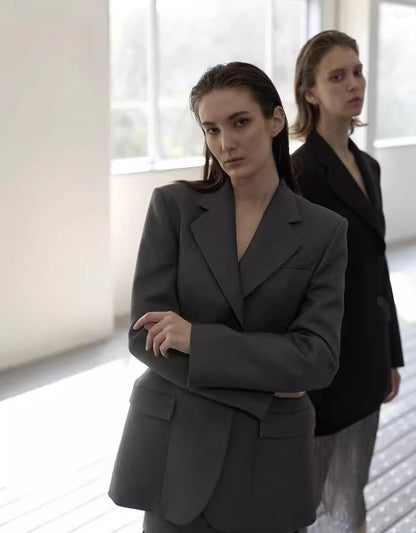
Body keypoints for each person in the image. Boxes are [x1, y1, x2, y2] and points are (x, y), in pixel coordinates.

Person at [108, 61, 349, 533]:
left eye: (240, 123)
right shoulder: (173, 209)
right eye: (212, 129)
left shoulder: (324, 231)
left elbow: (316, 360)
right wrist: (266, 379)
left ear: (275, 121)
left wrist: (197, 341)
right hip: (177, 457)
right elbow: (144, 338)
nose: (225, 143)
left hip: (269, 461)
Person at [291, 30, 404, 533]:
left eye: (356, 72)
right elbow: (292, 285)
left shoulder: (368, 166)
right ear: (310, 92)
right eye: (336, 76)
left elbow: (377, 267)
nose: (354, 83)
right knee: (307, 501)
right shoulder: (299, 174)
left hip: (367, 358)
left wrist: (391, 354)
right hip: (322, 371)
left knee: (350, 494)